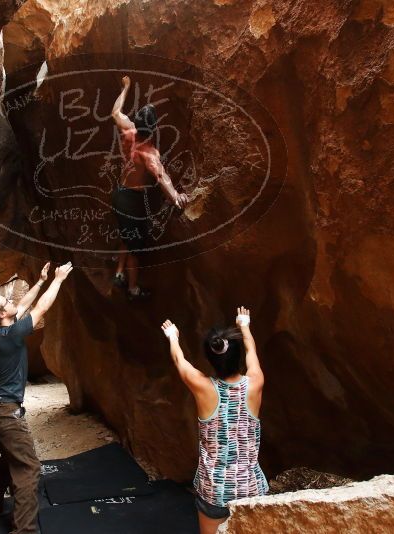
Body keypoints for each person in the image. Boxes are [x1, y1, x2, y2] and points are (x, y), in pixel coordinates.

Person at [0, 261, 74, 533]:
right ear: (0, 315)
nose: (10, 301)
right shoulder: (10, 334)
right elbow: (40, 308)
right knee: (28, 468)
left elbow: (23, 305)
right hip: (6, 413)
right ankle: (25, 531)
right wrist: (58, 279)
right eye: (3, 302)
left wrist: (41, 281)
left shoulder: (2, 332)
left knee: (9, 460)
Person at [161, 307, 268, 534]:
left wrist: (173, 337)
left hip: (214, 488)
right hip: (250, 486)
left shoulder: (204, 388)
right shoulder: (255, 382)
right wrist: (244, 325)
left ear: (210, 359)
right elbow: (252, 351)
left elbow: (180, 361)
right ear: (238, 356)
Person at [110, 75, 189, 301]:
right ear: (153, 128)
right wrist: (176, 197)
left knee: (126, 234)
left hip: (119, 194)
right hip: (133, 200)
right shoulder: (149, 153)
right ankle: (133, 289)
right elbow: (162, 176)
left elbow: (115, 112)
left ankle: (118, 274)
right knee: (136, 248)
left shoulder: (128, 132)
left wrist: (125, 87)